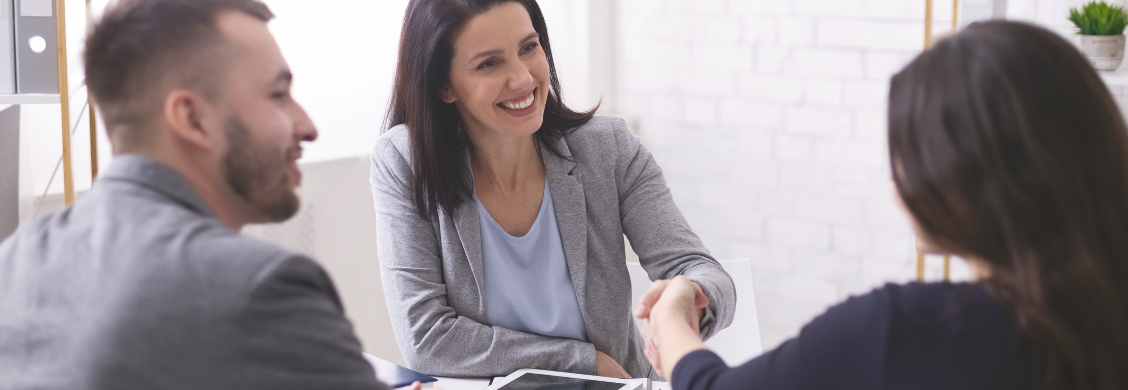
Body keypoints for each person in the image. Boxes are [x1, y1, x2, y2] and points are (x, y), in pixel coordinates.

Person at [635, 20, 1128, 390]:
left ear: (955, 176)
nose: (895, 178)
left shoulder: (905, 330)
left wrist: (674, 324)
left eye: (907, 153)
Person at [0, 0, 391, 388]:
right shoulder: (258, 287)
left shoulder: (16, 259)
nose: (308, 126)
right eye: (277, 95)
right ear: (192, 119)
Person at [370, 0, 736, 379]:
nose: (524, 79)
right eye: (489, 64)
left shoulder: (608, 148)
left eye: (529, 47)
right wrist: (580, 362)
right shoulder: (405, 162)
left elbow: (704, 272)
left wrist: (685, 302)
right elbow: (426, 338)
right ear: (443, 86)